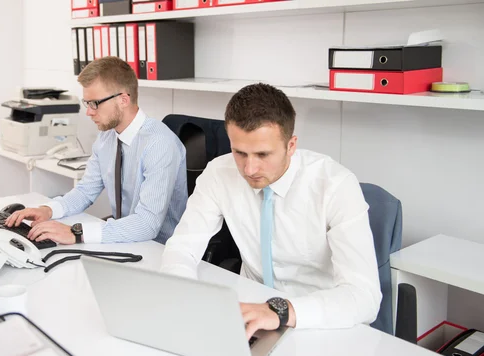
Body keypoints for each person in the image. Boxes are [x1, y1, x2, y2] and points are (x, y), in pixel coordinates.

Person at [160, 83, 381, 339]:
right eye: (239, 152)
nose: (250, 168)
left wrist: (281, 311)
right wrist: (180, 291)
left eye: (263, 154)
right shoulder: (219, 173)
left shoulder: (335, 186)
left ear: (291, 145)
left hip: (319, 320)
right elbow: (182, 247)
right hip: (249, 313)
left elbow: (364, 297)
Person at [6, 57, 187, 245]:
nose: (89, 112)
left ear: (123, 99)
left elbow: (147, 224)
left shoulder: (160, 145)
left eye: (95, 103)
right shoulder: (107, 136)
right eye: (87, 103)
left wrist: (76, 233)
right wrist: (48, 210)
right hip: (121, 239)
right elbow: (85, 191)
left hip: (159, 248)